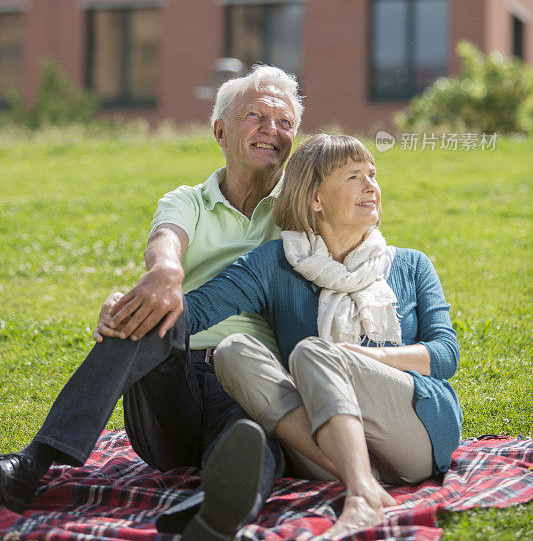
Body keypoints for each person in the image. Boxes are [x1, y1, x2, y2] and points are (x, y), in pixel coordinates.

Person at [0, 65, 303, 541]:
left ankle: (214, 507)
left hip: (251, 377)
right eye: (256, 117)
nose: (272, 131)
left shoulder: (301, 209)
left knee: (258, 432)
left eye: (285, 123)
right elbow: (166, 241)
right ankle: (32, 464)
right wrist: (164, 272)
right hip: (170, 391)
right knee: (150, 314)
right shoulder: (188, 201)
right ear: (220, 131)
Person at [175, 133, 463, 539]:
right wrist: (138, 302)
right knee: (232, 351)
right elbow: (197, 311)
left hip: (414, 433)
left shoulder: (412, 265)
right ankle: (361, 477)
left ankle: (363, 497)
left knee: (314, 353)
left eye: (372, 175)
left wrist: (360, 359)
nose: (371, 187)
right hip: (319, 444)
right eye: (352, 177)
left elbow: (445, 354)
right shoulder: (274, 264)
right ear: (315, 199)